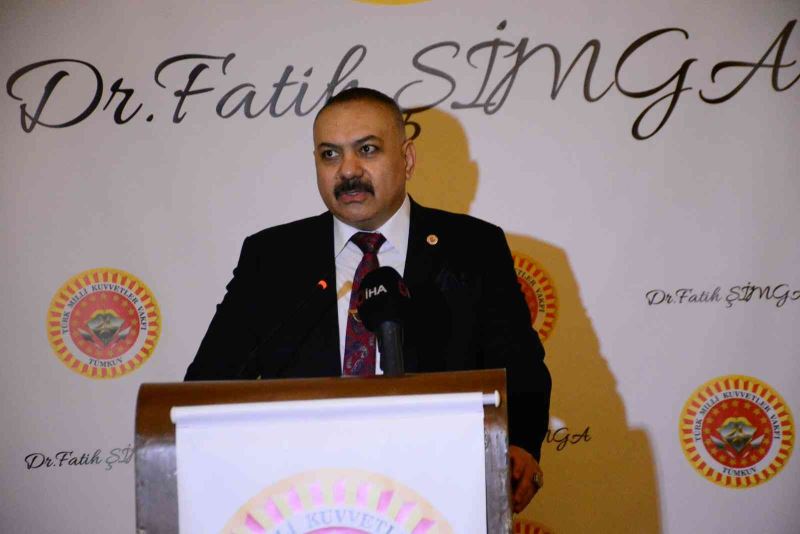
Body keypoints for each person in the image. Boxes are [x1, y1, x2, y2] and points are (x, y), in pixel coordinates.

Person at [185, 87, 551, 512]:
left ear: (407, 159)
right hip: (304, 499)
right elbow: (208, 383)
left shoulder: (471, 248)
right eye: (330, 155)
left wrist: (522, 444)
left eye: (367, 150)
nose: (348, 171)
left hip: (441, 494)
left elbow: (520, 367)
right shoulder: (273, 258)